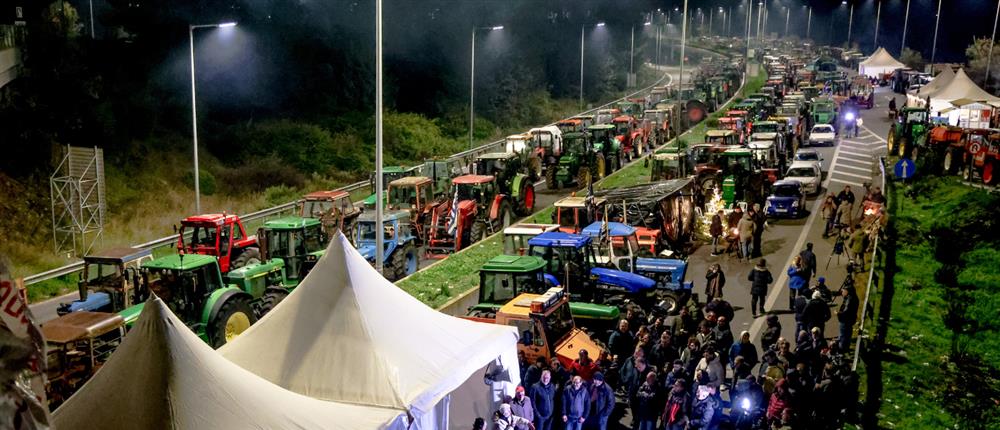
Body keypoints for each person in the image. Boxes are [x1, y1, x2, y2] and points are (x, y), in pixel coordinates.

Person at [837, 287, 860, 351]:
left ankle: (841, 349)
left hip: (845, 320)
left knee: (843, 335)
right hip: (851, 319)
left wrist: (838, 313)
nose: (842, 292)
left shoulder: (849, 300)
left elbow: (846, 311)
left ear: (848, 291)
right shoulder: (855, 298)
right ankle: (846, 347)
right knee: (848, 334)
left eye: (844, 291)